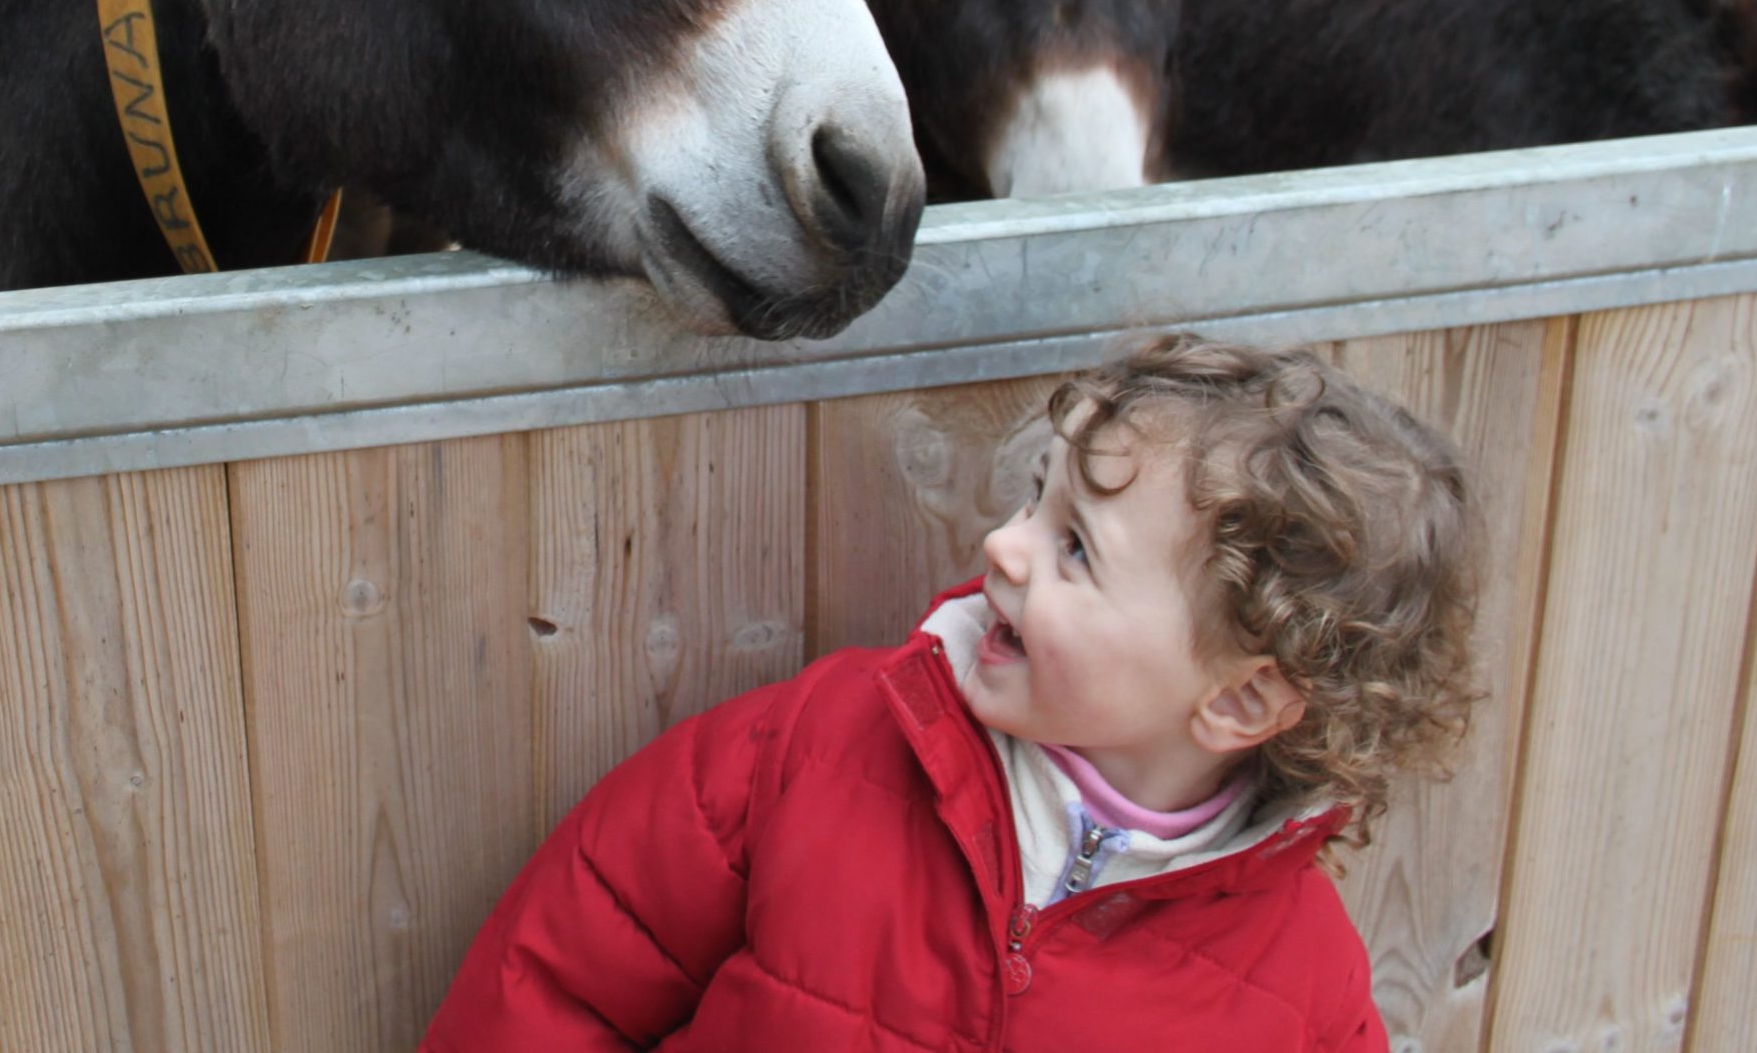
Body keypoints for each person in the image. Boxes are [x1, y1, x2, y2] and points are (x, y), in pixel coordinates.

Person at [422, 334, 1481, 1051]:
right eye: (1035, 499)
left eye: (1075, 548)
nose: (1001, 547)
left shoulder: (1299, 985)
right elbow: (565, 968)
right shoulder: (816, 747)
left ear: (1239, 701)